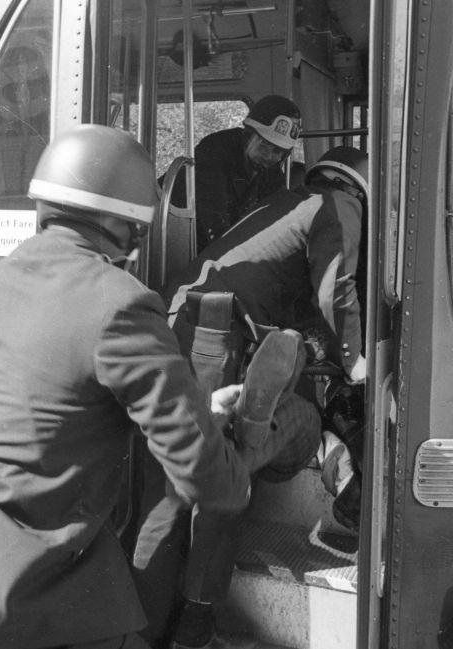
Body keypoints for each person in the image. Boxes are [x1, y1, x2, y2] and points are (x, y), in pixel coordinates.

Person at [0, 125, 300, 649]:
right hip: (22, 582)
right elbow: (210, 482)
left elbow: (61, 403)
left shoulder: (8, 274)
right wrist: (254, 440)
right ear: (128, 225)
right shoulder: (122, 303)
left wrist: (196, 406)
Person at [133, 146, 368, 649]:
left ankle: (147, 626)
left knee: (173, 492)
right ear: (360, 183)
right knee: (221, 480)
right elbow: (337, 287)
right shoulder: (339, 205)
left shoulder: (287, 202)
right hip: (218, 342)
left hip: (185, 326)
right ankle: (193, 624)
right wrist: (357, 362)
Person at [171, 95, 302, 251]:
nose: (269, 156)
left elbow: (279, 208)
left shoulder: (269, 171)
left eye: (278, 151)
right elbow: (214, 219)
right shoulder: (215, 152)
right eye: (263, 146)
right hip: (175, 240)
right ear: (248, 136)